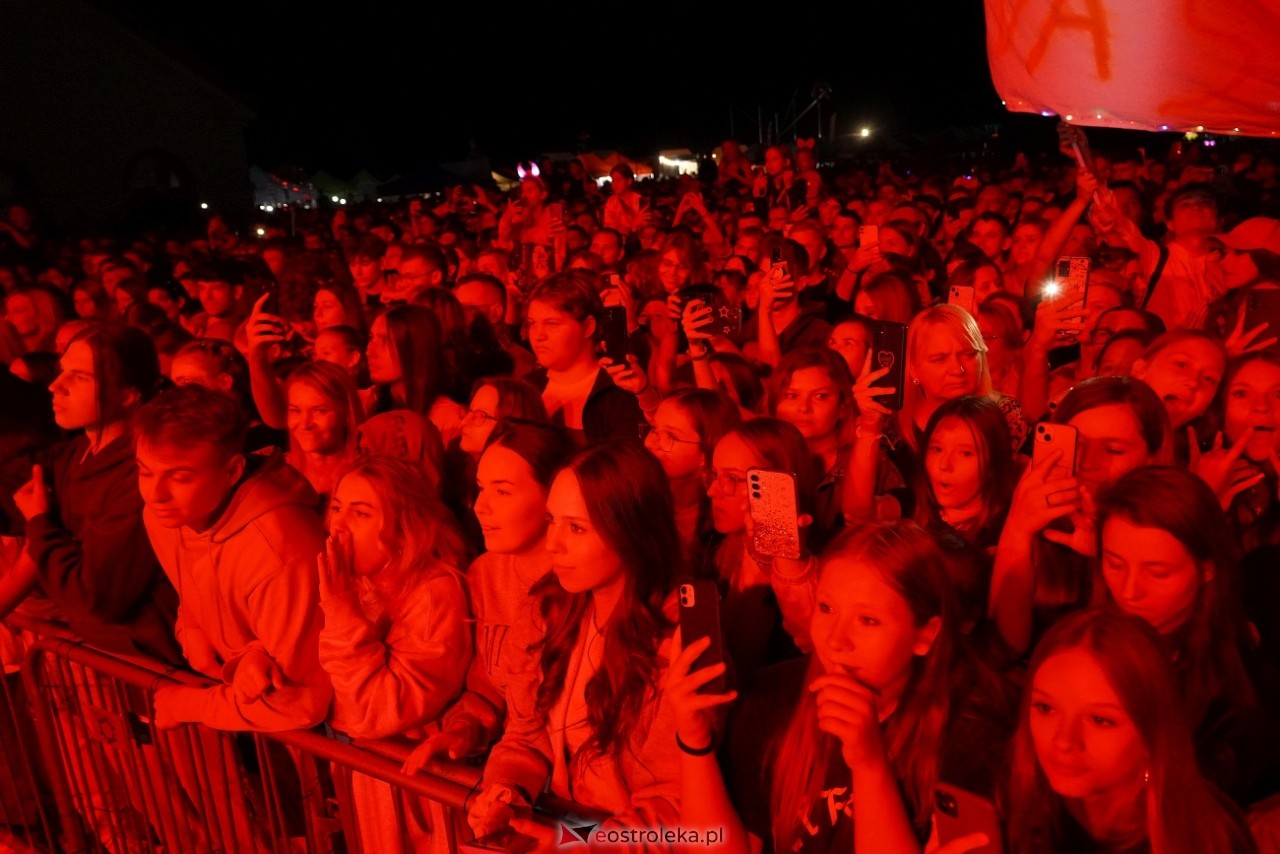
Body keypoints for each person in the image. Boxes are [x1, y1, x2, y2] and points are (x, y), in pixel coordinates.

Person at [669, 521, 962, 853]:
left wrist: (869, 764)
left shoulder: (960, 732)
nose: (836, 641)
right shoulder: (776, 699)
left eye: (868, 620)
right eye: (826, 608)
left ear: (925, 634)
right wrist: (694, 742)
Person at [467, 442, 682, 843]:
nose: (553, 544)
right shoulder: (546, 612)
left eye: (577, 528)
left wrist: (588, 845)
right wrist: (506, 792)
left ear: (631, 531)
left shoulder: (675, 641)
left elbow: (673, 801)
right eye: (553, 520)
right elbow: (525, 737)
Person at [135, 384, 332, 732]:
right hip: (240, 702)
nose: (155, 494)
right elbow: (192, 577)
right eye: (145, 472)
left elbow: (303, 701)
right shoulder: (165, 515)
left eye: (179, 477)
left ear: (232, 471)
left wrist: (186, 704)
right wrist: (193, 626)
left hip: (324, 726)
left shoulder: (282, 552)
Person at [1096, 465, 1280, 807]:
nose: (1129, 590)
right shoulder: (1088, 641)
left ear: (1207, 568)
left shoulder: (1235, 705)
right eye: (1115, 563)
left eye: (1158, 572)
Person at [1004, 607, 1257, 853]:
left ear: (1153, 731)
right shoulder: (1023, 800)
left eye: (1100, 720)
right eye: (1046, 708)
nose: (1063, 741)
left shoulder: (1204, 837)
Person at [318, 455, 471, 853]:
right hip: (373, 782)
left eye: (361, 513)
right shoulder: (361, 583)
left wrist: (339, 610)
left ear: (404, 526)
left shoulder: (435, 593)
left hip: (418, 791)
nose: (339, 525)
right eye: (337, 507)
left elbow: (377, 712)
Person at [403, 422, 577, 770]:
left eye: (503, 491)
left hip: (581, 796)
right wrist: (463, 729)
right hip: (512, 775)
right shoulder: (485, 574)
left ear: (553, 497)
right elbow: (486, 686)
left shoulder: (583, 581)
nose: (480, 506)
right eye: (481, 488)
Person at [2, 324, 180, 663]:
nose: (55, 386)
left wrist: (39, 522)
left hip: (146, 663)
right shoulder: (74, 453)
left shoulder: (141, 472)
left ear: (127, 394)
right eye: (61, 372)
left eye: (79, 377)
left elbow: (94, 597)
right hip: (101, 655)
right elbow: (8, 489)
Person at [988, 375, 1174, 657]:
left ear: (1151, 458)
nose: (1088, 463)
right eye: (1078, 443)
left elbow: (1127, 656)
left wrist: (1103, 557)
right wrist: (1018, 530)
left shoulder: (1167, 531)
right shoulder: (1041, 517)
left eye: (1113, 449)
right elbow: (1005, 649)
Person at [523, 271, 644, 445]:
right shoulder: (526, 389)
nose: (538, 335)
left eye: (551, 323)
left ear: (588, 326)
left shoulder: (618, 394)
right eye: (533, 323)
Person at [283, 360, 364, 503]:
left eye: (320, 411)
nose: (305, 424)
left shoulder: (367, 475)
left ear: (346, 413)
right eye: (296, 411)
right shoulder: (280, 475)